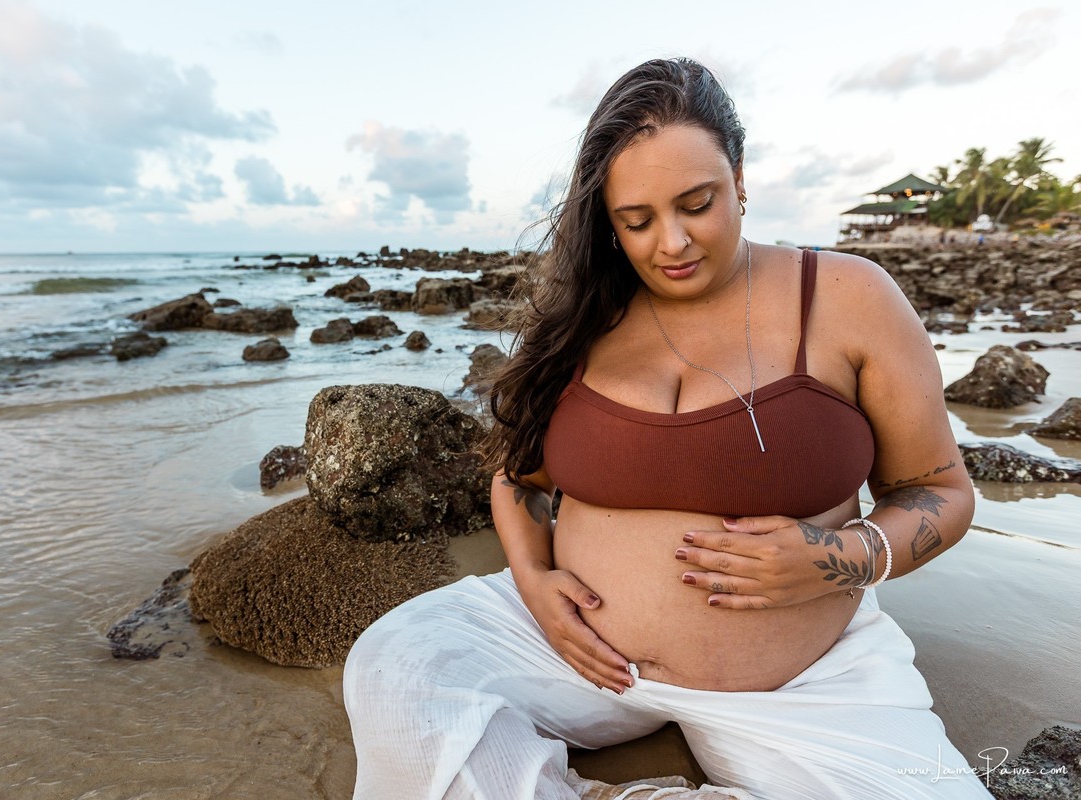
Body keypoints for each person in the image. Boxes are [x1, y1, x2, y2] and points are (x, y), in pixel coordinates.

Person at [343, 58, 991, 799]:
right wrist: (534, 580)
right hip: (575, 655)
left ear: (739, 178)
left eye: (697, 203)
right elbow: (518, 481)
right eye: (637, 220)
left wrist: (841, 555)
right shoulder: (584, 320)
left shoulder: (848, 296)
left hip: (804, 682)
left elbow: (940, 490)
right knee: (395, 670)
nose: (672, 243)